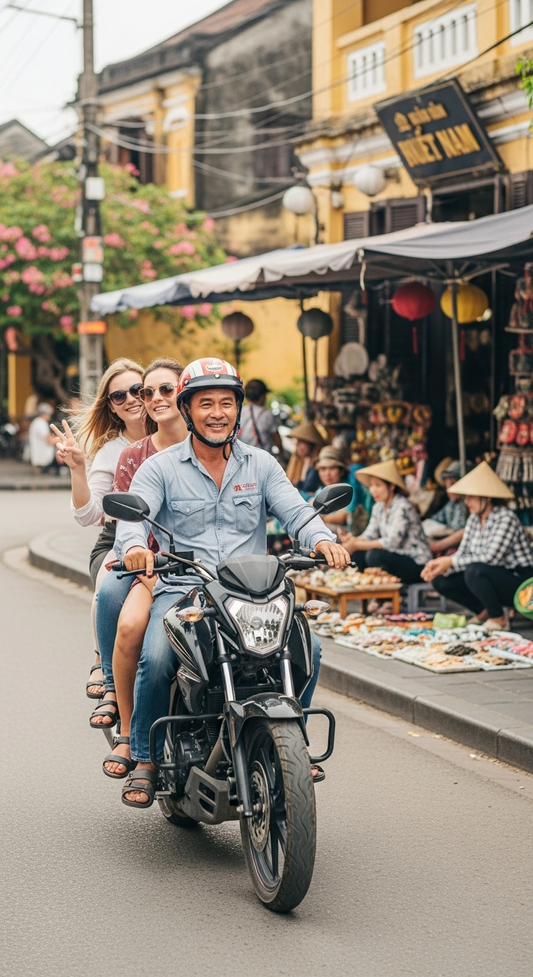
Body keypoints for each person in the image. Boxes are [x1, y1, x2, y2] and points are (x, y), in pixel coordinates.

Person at [112, 356, 350, 808]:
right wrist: (134, 549)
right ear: (187, 411)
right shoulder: (160, 468)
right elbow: (134, 516)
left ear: (239, 409)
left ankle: (291, 738)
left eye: (227, 402)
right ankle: (144, 756)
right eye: (206, 403)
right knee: (158, 654)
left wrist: (322, 539)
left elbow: (297, 511)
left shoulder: (261, 464)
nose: (217, 412)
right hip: (186, 589)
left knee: (309, 649)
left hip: (250, 593)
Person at [90, 359, 187, 780]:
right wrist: (138, 556)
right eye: (148, 393)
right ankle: (121, 709)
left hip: (204, 572)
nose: (151, 399)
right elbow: (126, 522)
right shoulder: (132, 455)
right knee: (118, 606)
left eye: (166, 390)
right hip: (146, 562)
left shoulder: (227, 450)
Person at [51, 358, 145, 698]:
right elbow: (89, 515)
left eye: (137, 389)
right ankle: (105, 665)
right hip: (118, 538)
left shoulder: (177, 437)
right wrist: (78, 469)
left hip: (173, 539)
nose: (131, 399)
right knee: (107, 585)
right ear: (112, 407)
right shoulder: (110, 451)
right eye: (119, 396)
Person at [422, 461, 533, 631]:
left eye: (472, 497)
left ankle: (499, 618)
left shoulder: (506, 517)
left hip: (521, 583)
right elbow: (464, 552)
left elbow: (491, 558)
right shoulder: (474, 518)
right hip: (492, 575)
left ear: (487, 497)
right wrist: (442, 566)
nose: (467, 502)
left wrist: (450, 562)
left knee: (475, 570)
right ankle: (484, 612)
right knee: (441, 581)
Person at [341, 460, 432, 584]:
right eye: (371, 486)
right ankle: (373, 595)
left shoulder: (403, 506)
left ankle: (388, 599)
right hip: (397, 558)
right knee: (358, 555)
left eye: (378, 485)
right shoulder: (378, 507)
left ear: (391, 486)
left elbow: (391, 542)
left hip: (417, 563)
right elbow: (369, 535)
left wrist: (356, 545)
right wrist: (353, 541)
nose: (373, 490)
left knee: (374, 555)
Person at [422, 460, 471, 554]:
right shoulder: (451, 504)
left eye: (452, 484)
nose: (449, 490)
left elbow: (463, 531)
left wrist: (439, 545)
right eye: (447, 485)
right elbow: (436, 519)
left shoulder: (467, 505)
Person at [239, 379, 281, 454]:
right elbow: (276, 438)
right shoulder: (267, 415)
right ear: (262, 396)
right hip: (263, 459)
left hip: (244, 456)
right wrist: (282, 453)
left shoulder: (239, 412)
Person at [286, 420, 326, 495]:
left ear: (311, 443)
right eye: (297, 442)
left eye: (301, 442)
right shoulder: (300, 460)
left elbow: (310, 488)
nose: (298, 446)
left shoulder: (318, 462)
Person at [28, 403, 56, 472]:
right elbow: (49, 439)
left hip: (39, 455)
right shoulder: (40, 423)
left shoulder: (37, 422)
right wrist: (61, 440)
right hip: (43, 456)